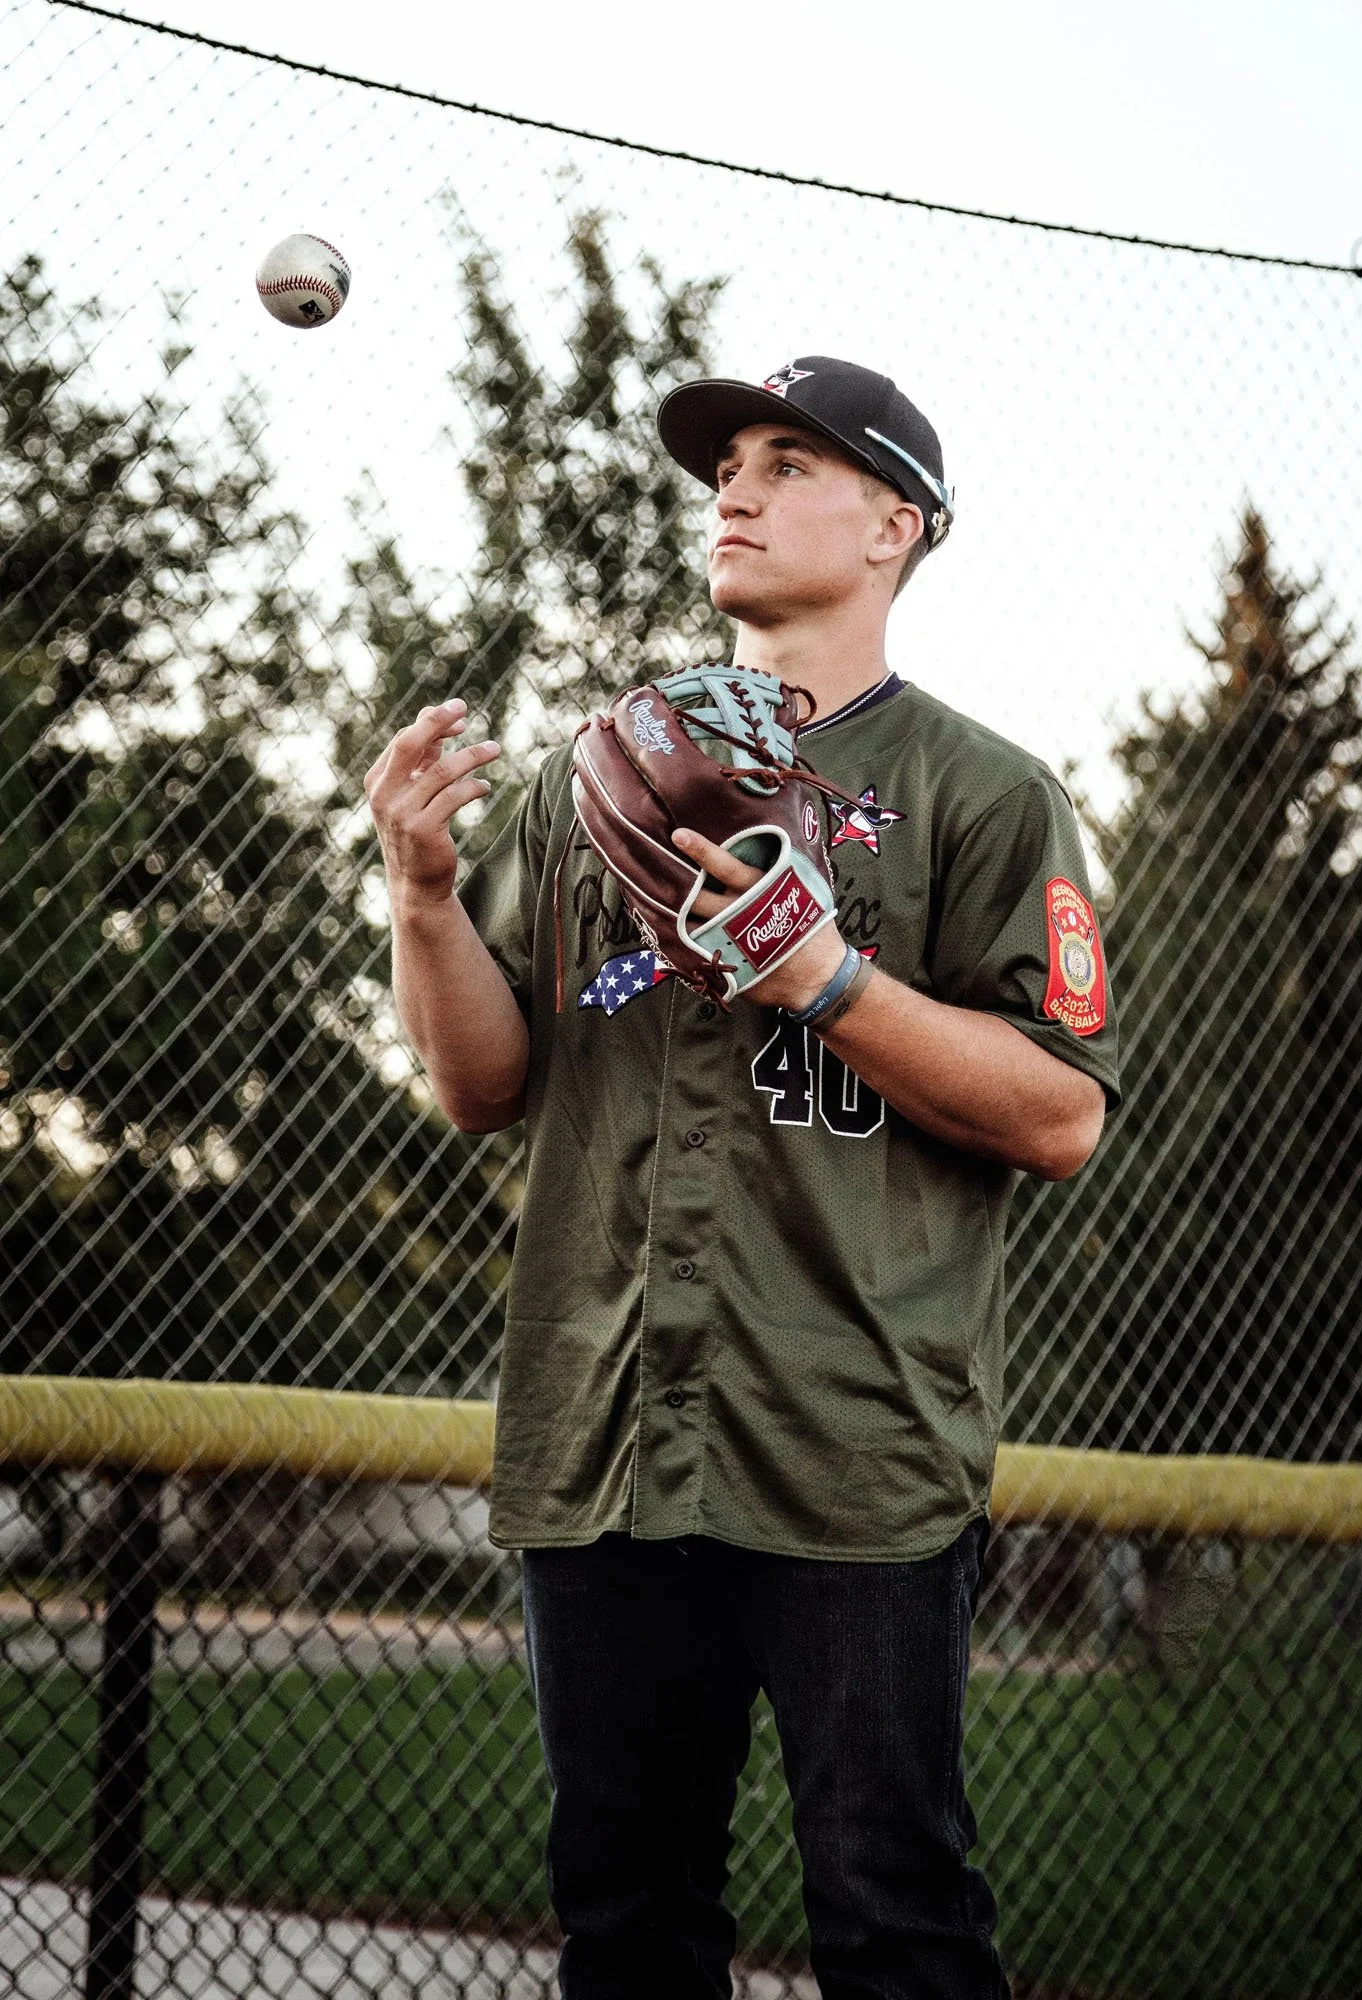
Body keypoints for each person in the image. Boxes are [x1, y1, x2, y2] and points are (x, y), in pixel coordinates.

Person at [364, 356, 1121, 2000]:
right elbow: (481, 1087)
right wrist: (421, 899)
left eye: (789, 462)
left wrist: (825, 977)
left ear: (896, 526)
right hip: (609, 1427)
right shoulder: (599, 776)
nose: (738, 490)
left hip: (852, 1441)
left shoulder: (986, 793)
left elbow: (1062, 1116)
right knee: (627, 1921)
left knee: (894, 1917)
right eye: (727, 468)